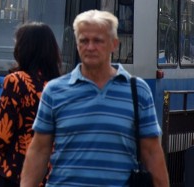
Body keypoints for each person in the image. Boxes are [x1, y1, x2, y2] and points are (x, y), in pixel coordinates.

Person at [21, 10, 169, 187]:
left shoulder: (138, 91)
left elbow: (152, 153)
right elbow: (39, 150)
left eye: (98, 40)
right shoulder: (54, 91)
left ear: (114, 44)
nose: (90, 47)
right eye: (84, 40)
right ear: (77, 44)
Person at [0, 22, 62, 187]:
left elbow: (3, 138)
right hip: (46, 175)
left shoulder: (16, 81)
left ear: (25, 49)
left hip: (14, 174)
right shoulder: (59, 86)